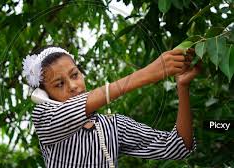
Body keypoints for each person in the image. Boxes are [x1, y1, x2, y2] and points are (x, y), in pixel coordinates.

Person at [22, 45, 200, 168]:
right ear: (44, 96)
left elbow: (178, 147)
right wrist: (148, 73)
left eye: (74, 75)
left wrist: (182, 88)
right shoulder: (45, 119)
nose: (73, 86)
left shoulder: (113, 126)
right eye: (59, 84)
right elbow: (69, 111)